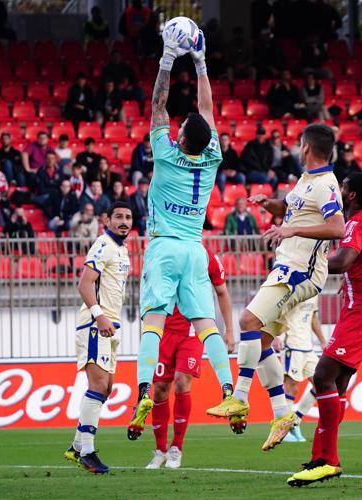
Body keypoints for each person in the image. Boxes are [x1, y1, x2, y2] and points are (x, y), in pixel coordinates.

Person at [205, 123, 345, 452]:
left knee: (246, 322)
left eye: (299, 144)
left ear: (306, 148)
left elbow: (337, 228)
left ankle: (238, 398)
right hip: (286, 267)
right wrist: (271, 205)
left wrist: (292, 232)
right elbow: (294, 210)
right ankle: (282, 413)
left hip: (300, 272)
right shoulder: (307, 180)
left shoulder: (326, 184)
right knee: (262, 341)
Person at [128, 26, 229, 443]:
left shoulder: (166, 155)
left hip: (164, 247)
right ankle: (230, 391)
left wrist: (168, 59)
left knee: (152, 320)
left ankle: (142, 394)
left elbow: (157, 105)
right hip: (195, 249)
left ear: (180, 137)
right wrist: (202, 63)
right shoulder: (212, 158)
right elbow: (207, 110)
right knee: (205, 324)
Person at [287, 173, 362, 487]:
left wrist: (310, 259)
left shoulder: (355, 224)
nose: (338, 192)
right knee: (336, 386)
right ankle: (323, 458)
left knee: (322, 375)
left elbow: (340, 262)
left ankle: (327, 460)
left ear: (351, 196)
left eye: (342, 189)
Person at [147, 249, 234, 469]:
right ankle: (160, 450)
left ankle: (176, 447)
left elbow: (222, 292)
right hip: (164, 330)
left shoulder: (208, 257)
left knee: (182, 381)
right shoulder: (164, 253)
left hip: (193, 330)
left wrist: (229, 331)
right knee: (159, 389)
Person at [63, 202, 133, 474]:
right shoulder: (103, 244)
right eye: (118, 217)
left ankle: (77, 446)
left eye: (128, 217)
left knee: (106, 388)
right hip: (96, 323)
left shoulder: (122, 249)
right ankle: (88, 452)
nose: (124, 221)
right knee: (98, 383)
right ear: (107, 219)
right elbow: (84, 283)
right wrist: (99, 315)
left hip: (110, 324)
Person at [275, 297, 326, 443]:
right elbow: (277, 312)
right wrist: (276, 336)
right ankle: (284, 430)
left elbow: (313, 317)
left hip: (307, 347)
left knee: (321, 383)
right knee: (292, 386)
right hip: (291, 344)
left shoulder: (315, 290)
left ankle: (295, 421)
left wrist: (322, 340)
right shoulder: (293, 286)